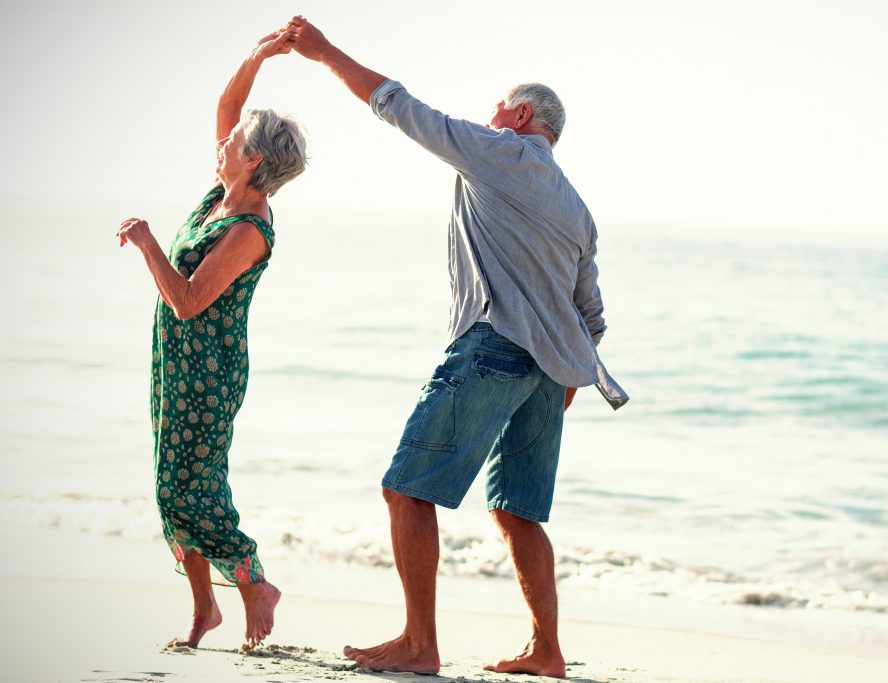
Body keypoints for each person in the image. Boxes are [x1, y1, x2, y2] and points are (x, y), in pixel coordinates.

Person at [284, 16, 628, 677]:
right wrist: (562, 385)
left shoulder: (498, 150)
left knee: (405, 490)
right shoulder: (578, 207)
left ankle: (420, 642)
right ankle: (547, 650)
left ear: (521, 114)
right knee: (517, 510)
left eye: (497, 107)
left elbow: (398, 106)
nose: (488, 115)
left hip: (493, 347)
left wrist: (323, 51)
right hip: (549, 374)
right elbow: (592, 314)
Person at [116, 31, 307, 652]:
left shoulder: (250, 226)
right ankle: (205, 611)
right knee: (171, 483)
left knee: (186, 487)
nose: (221, 141)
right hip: (174, 360)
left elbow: (190, 300)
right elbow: (227, 113)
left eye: (233, 142)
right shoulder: (220, 195)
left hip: (209, 369)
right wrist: (257, 58)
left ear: (252, 160)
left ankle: (253, 581)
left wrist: (147, 243)